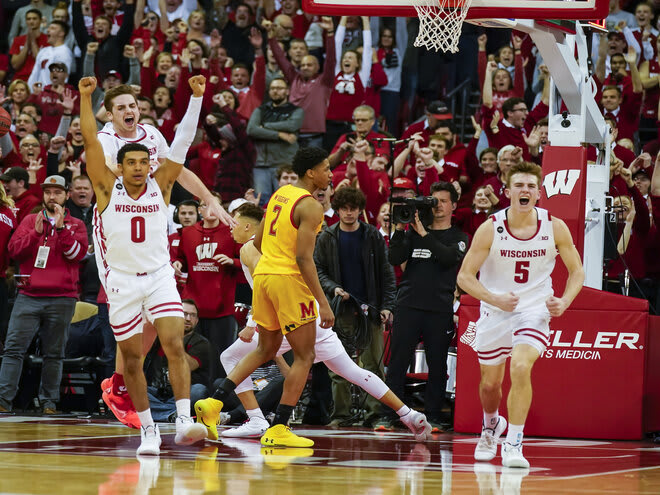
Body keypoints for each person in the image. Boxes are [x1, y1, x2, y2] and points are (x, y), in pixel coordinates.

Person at [215, 203, 431, 441]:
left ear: (247, 225)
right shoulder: (283, 245)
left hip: (289, 313)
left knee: (230, 357)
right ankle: (408, 413)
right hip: (311, 312)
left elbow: (266, 286)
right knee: (351, 370)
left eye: (233, 222)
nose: (230, 228)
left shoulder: (249, 248)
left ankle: (256, 419)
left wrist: (252, 321)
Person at [80, 74, 209, 454]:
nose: (139, 167)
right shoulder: (106, 188)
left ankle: (184, 420)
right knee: (132, 359)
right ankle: (149, 430)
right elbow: (90, 139)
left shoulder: (162, 183)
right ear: (119, 166)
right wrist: (85, 99)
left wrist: (197, 98)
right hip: (121, 281)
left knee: (173, 343)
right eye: (131, 162)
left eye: (143, 161)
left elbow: (183, 140)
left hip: (158, 278)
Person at [195, 146, 335, 448]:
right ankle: (280, 426)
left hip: (265, 278)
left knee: (264, 349)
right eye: (326, 168)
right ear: (311, 172)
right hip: (288, 280)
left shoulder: (281, 194)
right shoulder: (311, 206)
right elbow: (303, 259)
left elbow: (257, 240)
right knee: (305, 356)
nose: (330, 174)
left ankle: (213, 404)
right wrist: (322, 302)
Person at [457, 161, 584, 468]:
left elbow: (577, 271)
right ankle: (491, 425)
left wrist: (565, 301)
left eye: (530, 186)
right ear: (508, 191)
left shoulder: (555, 226)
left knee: (521, 366)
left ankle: (514, 442)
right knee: (489, 385)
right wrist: (494, 299)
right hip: (496, 308)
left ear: (538, 193)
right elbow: (464, 277)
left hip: (534, 309)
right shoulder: (491, 227)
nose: (524, 190)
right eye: (519, 185)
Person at [375, 181, 468, 433]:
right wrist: (399, 229)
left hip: (439, 309)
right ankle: (388, 415)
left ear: (454, 206)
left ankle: (435, 417)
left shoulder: (459, 237)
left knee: (437, 365)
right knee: (397, 364)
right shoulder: (413, 232)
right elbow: (395, 258)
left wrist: (425, 235)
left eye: (443, 201)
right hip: (408, 305)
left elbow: (449, 258)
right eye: (433, 200)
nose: (437, 206)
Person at [0, 175, 88, 414]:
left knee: (54, 353)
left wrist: (60, 229)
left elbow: (76, 255)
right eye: (48, 192)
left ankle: (49, 402)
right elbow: (14, 251)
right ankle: (3, 400)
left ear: (67, 195)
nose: (52, 196)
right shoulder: (30, 220)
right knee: (13, 349)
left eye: (57, 192)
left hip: (62, 297)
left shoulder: (76, 224)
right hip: (28, 295)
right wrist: (34, 234)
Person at [313, 187, 396, 427]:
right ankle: (341, 416)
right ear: (337, 209)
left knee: (374, 365)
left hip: (369, 308)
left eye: (353, 209)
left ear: (360, 210)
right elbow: (318, 270)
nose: (349, 213)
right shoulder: (327, 237)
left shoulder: (372, 235)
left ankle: (375, 415)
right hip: (340, 308)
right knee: (337, 366)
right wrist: (333, 288)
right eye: (344, 208)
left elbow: (386, 273)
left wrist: (387, 306)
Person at [144, 299, 211, 421]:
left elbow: (189, 365)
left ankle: (162, 412)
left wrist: (175, 338)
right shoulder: (159, 336)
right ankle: (172, 414)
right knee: (130, 389)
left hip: (185, 393)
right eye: (184, 314)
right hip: (158, 393)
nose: (188, 318)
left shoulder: (201, 343)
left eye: (193, 315)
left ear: (197, 320)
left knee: (199, 391)